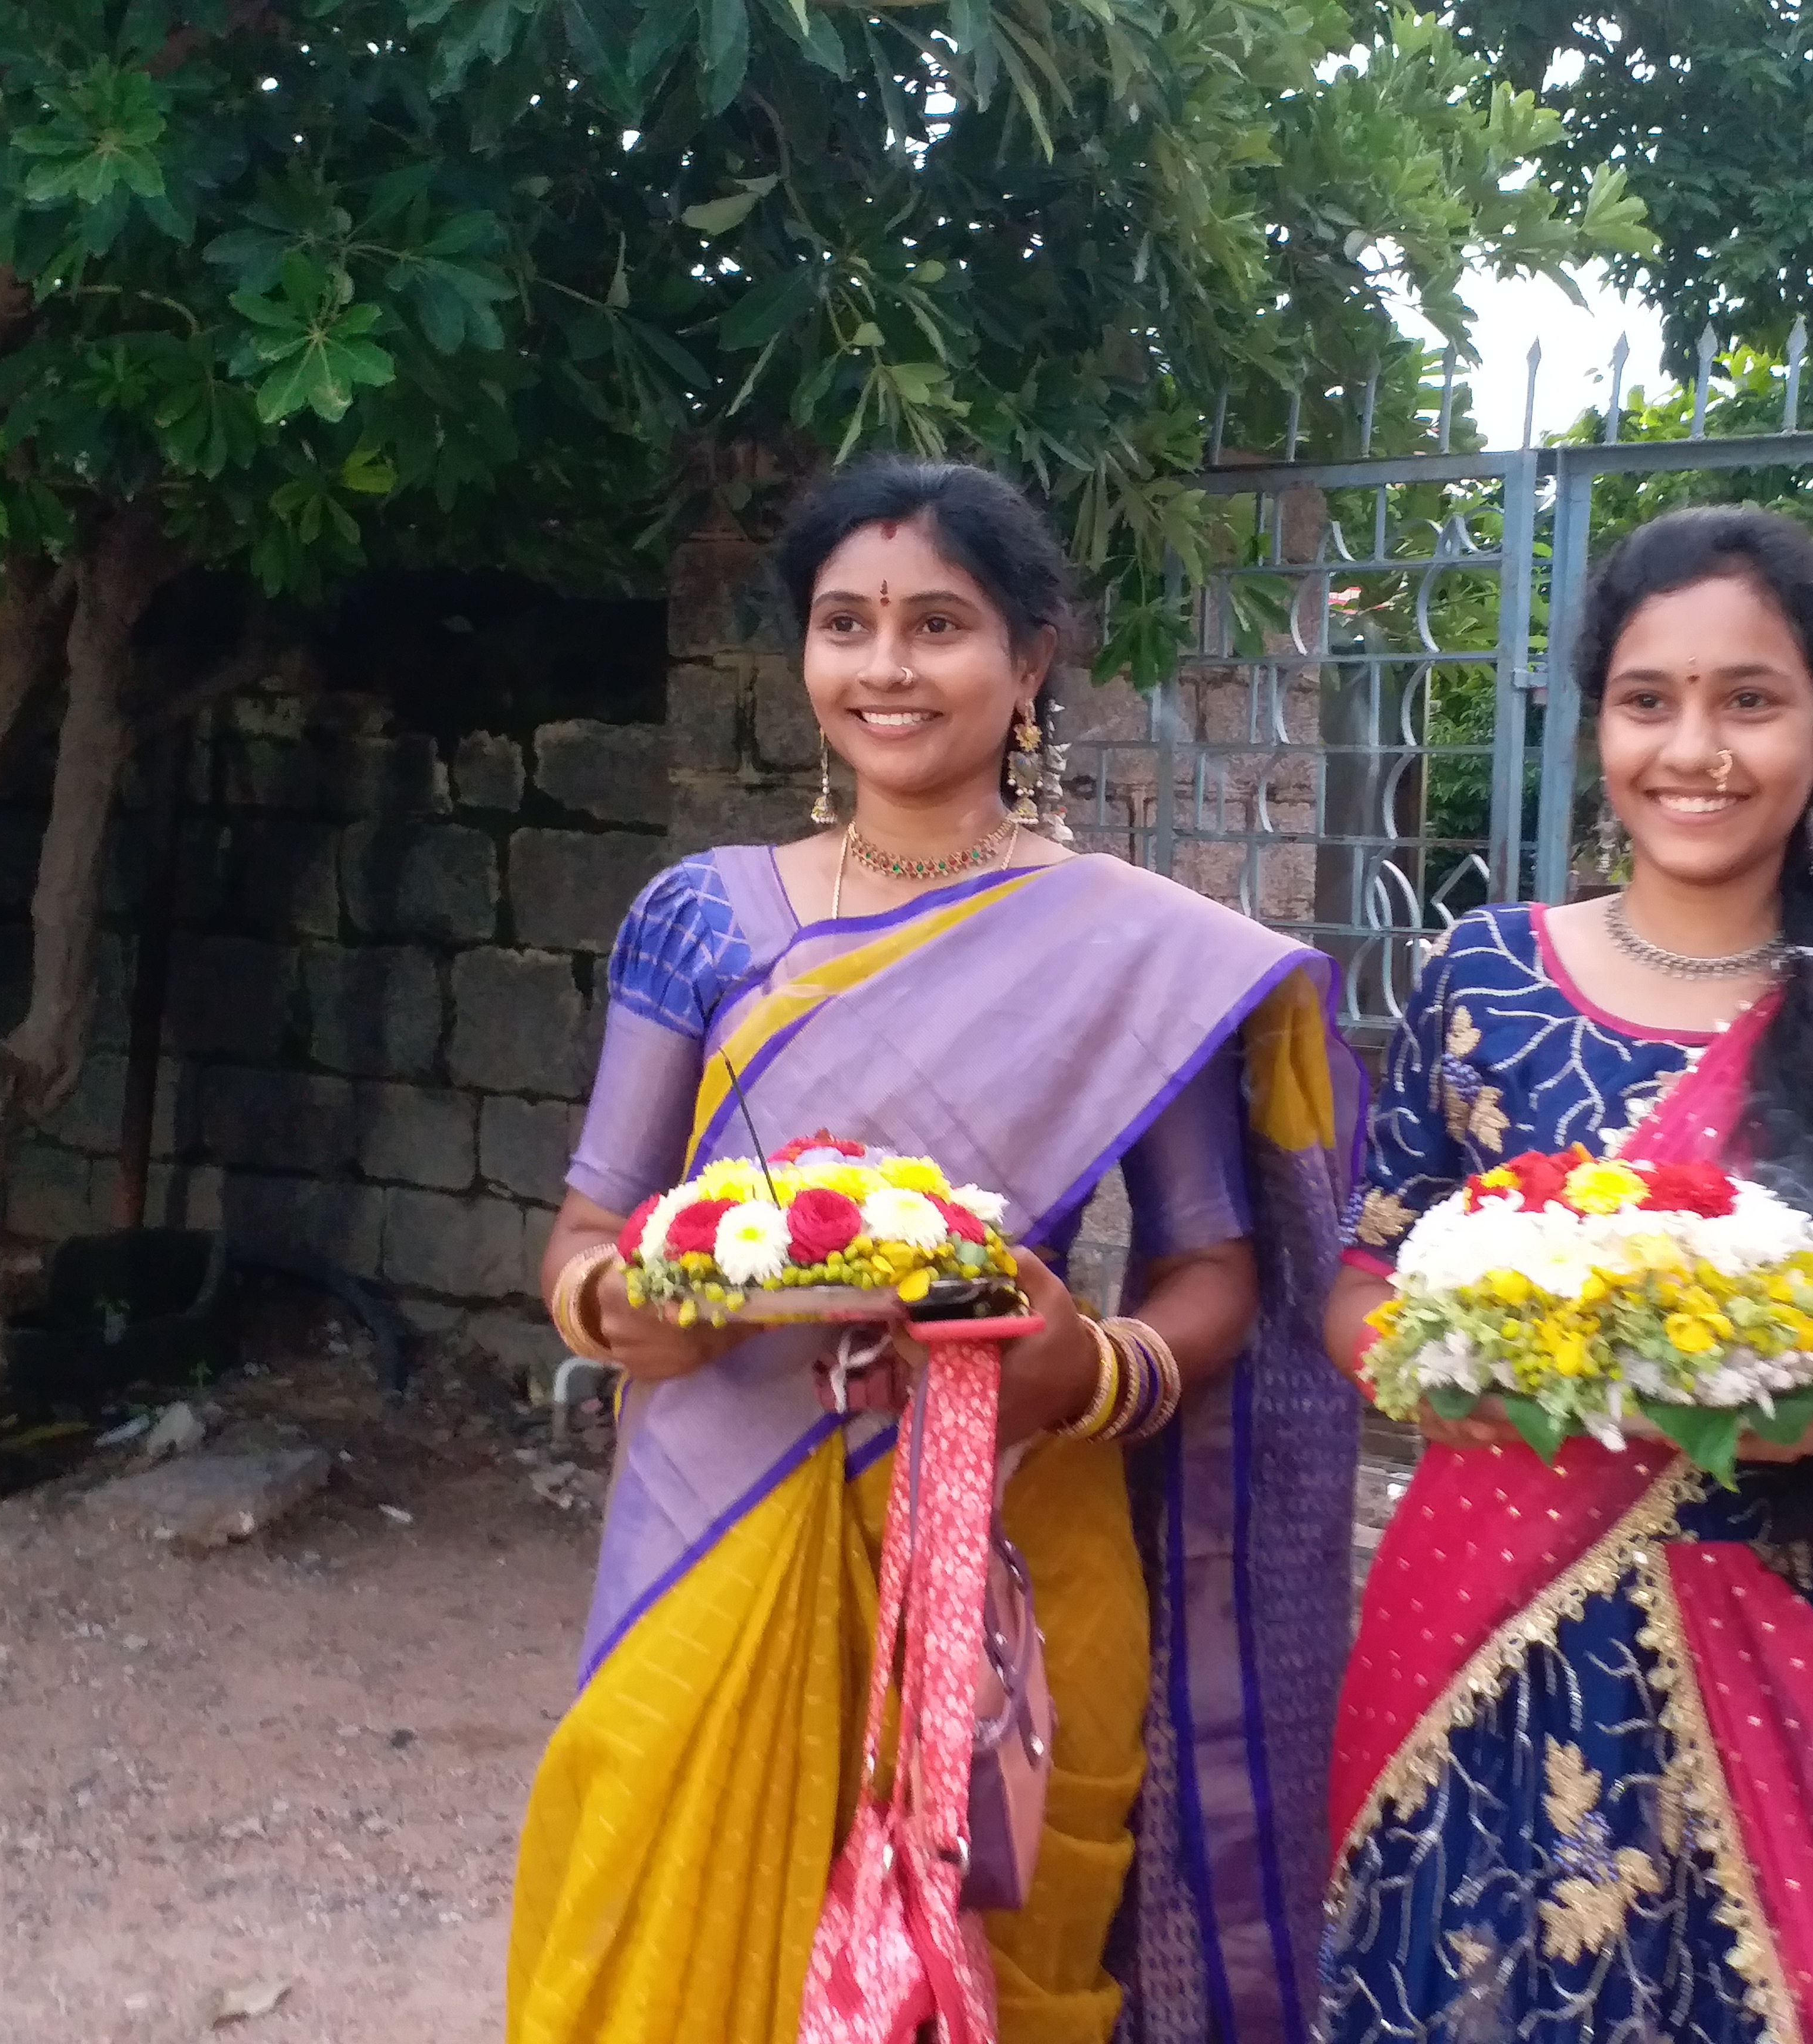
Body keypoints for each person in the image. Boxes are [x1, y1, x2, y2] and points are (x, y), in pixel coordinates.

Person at [505, 459, 1365, 2044]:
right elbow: (585, 1233)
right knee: (655, 1904)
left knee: (1008, 1953)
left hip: (1015, 1524)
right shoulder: (702, 919)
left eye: (939, 624)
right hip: (723, 1503)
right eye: (848, 624)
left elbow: (1213, 1276)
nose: (888, 665)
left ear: (1031, 659)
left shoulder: (1137, 951)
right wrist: (646, 1306)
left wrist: (1085, 1371)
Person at [1316, 507, 1813, 2044]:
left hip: (1799, 1643)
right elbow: (1360, 1281)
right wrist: (1455, 1362)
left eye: (1752, 700)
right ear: (1598, 721)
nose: (1695, 749)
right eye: (1648, 700)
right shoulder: (1484, 979)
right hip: (1482, 1626)